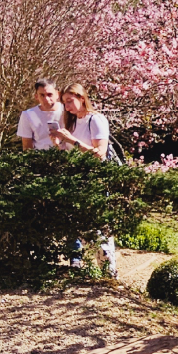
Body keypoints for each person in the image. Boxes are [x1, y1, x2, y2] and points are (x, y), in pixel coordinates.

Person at [49, 83, 117, 277]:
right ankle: (98, 271)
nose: (68, 107)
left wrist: (71, 140)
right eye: (64, 103)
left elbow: (100, 154)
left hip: (95, 180)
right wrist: (58, 143)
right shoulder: (71, 123)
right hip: (77, 180)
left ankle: (109, 273)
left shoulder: (95, 120)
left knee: (100, 228)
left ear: (81, 98)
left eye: (70, 101)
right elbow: (69, 154)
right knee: (84, 228)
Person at [17, 79, 63, 150]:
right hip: (41, 157)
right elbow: (27, 146)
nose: (46, 99)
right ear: (36, 96)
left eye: (49, 94)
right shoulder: (28, 115)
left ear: (57, 94)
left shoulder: (67, 111)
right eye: (42, 95)